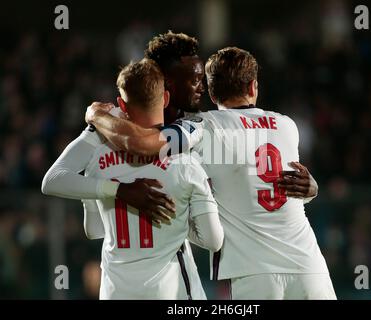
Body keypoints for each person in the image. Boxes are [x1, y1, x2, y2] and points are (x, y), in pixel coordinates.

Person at [85, 45, 335, 299]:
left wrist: (96, 115)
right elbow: (272, 185)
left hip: (255, 274)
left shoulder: (204, 128)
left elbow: (143, 145)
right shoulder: (287, 126)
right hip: (310, 267)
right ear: (252, 87)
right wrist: (311, 190)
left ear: (212, 93)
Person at [43, 59, 223, 299]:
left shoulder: (96, 153)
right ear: (166, 99)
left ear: (120, 104)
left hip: (115, 292)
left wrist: (113, 190)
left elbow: (91, 226)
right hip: (172, 292)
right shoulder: (185, 159)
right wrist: (179, 221)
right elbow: (213, 240)